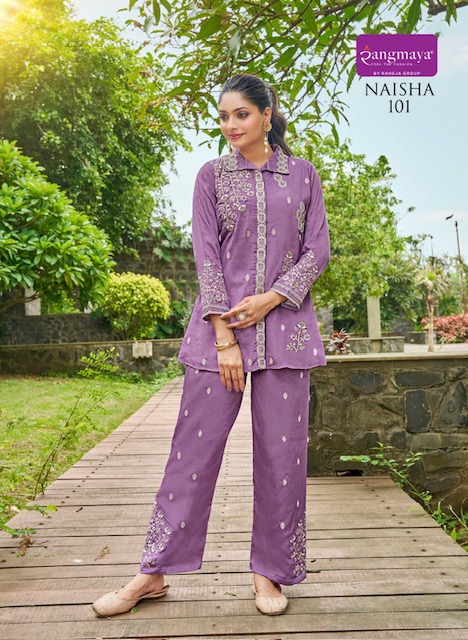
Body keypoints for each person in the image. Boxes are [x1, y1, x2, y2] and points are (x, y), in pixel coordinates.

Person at [92, 73, 330, 618]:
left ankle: (269, 572)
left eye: (241, 114)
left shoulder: (303, 175)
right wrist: (225, 336)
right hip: (216, 338)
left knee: (281, 457)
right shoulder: (211, 176)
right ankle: (153, 572)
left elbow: (316, 249)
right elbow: (206, 257)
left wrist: (272, 298)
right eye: (223, 116)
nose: (230, 125)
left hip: (287, 335)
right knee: (191, 455)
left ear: (266, 114)